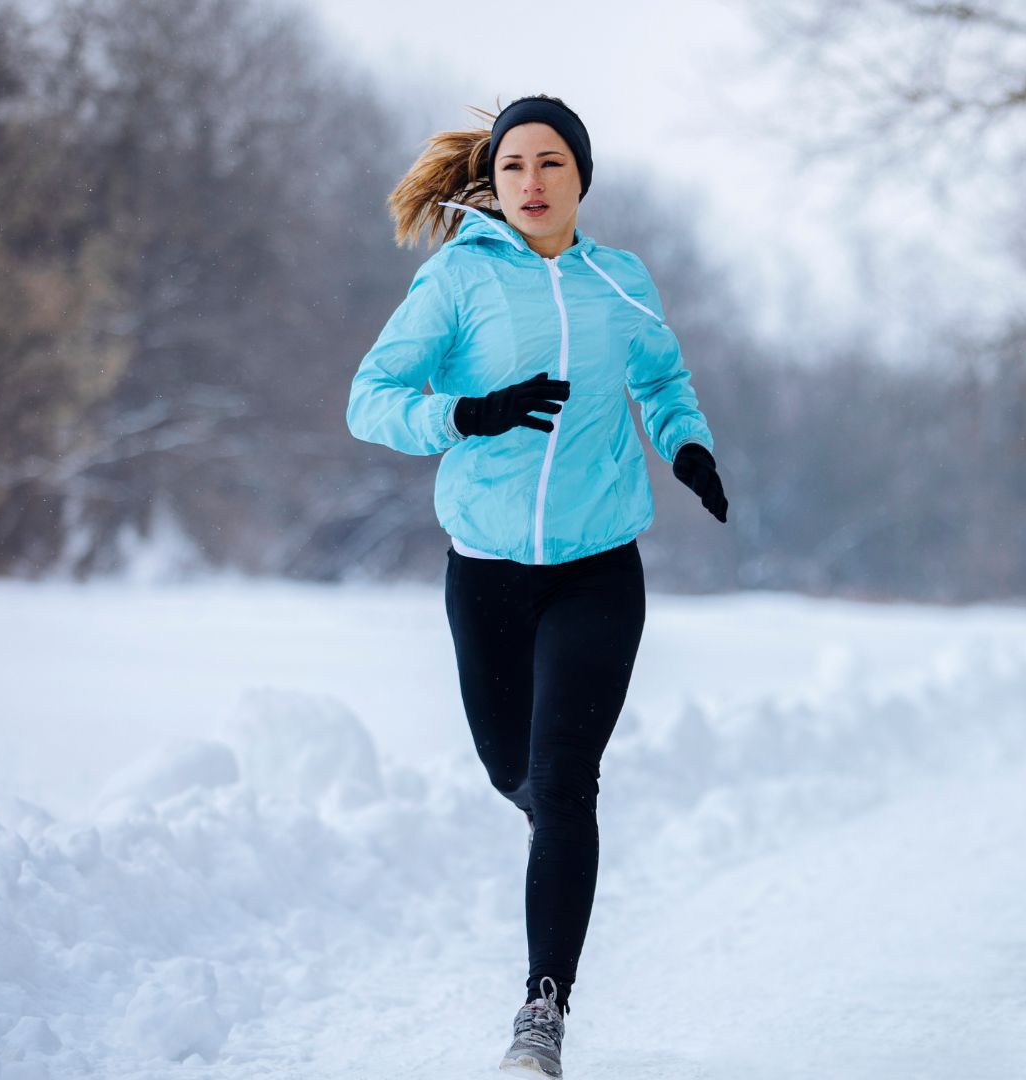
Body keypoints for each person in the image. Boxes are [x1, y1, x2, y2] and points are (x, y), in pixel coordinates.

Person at [345, 94, 730, 1079]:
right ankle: (554, 831)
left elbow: (664, 381)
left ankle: (542, 1016)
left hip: (601, 571)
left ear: (581, 178)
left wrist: (687, 448)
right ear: (495, 179)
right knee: (511, 771)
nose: (531, 181)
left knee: (565, 786)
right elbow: (370, 401)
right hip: (488, 578)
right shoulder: (458, 279)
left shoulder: (621, 279)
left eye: (551, 163)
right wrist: (468, 413)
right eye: (514, 165)